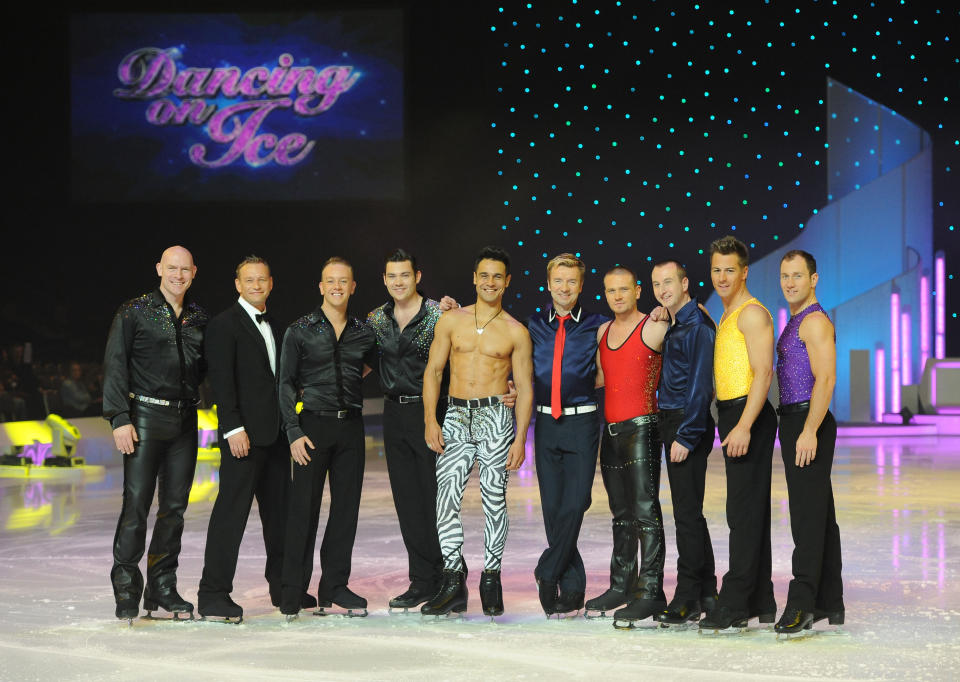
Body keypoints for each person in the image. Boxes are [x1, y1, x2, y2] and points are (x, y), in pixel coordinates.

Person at [197, 255, 314, 622]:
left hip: (278, 436)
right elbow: (221, 382)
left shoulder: (279, 326)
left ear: (271, 283)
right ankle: (213, 594)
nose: (256, 285)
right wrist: (232, 428)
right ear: (238, 284)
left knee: (279, 518)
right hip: (243, 437)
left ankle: (282, 588)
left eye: (262, 279)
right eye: (249, 280)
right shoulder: (222, 326)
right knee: (230, 516)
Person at [421, 246, 533, 617]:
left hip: (494, 420)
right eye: (484, 275)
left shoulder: (516, 331)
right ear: (474, 278)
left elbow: (527, 387)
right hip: (454, 416)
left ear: (507, 281)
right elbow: (434, 371)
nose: (490, 282)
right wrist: (430, 420)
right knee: (445, 500)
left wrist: (520, 438)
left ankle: (491, 577)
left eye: (497, 276)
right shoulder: (451, 321)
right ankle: (453, 579)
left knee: (493, 501)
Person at [103, 246, 207, 621]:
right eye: (172, 268)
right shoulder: (133, 311)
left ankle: (162, 587)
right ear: (159, 269)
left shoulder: (198, 317)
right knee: (136, 506)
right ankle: (128, 587)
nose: (178, 275)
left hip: (185, 422)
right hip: (144, 417)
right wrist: (119, 417)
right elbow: (115, 363)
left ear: (194, 272)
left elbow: (208, 368)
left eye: (185, 269)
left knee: (174, 510)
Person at [277, 257, 378, 619]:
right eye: (330, 281)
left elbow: (370, 365)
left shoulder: (364, 331)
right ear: (321, 286)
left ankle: (334, 584)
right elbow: (285, 383)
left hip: (350, 427)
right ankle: (292, 589)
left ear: (353, 287)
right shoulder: (300, 329)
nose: (337, 286)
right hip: (312, 428)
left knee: (345, 510)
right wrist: (292, 431)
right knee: (303, 509)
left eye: (344, 281)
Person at [698, 235, 778, 632]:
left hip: (750, 415)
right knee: (748, 511)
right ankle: (759, 598)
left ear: (744, 271)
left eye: (730, 269)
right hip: (733, 414)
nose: (722, 276)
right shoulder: (726, 313)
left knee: (742, 513)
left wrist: (745, 424)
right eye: (716, 269)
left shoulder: (751, 313)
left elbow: (764, 373)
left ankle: (733, 601)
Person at [365, 249, 450, 612]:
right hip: (393, 415)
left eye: (405, 275)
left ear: (417, 276)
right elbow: (364, 364)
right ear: (384, 280)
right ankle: (421, 580)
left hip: (430, 413)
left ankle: (448, 579)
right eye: (392, 276)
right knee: (407, 502)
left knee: (436, 500)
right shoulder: (375, 319)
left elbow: (459, 360)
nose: (398, 282)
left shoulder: (439, 314)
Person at [587, 266, 670, 627]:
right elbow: (596, 378)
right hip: (612, 432)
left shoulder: (654, 326)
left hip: (643, 428)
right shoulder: (602, 332)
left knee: (645, 514)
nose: (617, 296)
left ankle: (650, 590)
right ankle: (622, 584)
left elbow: (695, 332)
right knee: (621, 515)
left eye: (624, 289)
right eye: (610, 291)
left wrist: (669, 311)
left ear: (638, 290)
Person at [527, 254, 607, 616]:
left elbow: (611, 364)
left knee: (575, 503)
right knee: (553, 510)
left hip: (582, 422)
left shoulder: (597, 324)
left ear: (580, 285)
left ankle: (547, 569)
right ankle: (572, 590)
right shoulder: (531, 325)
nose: (564, 288)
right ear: (548, 284)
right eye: (558, 281)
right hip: (545, 424)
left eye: (571, 281)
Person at [773, 250, 844, 635]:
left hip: (806, 421)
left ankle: (801, 604)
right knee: (819, 514)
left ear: (813, 279)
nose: (789, 283)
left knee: (806, 517)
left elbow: (826, 380)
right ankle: (828, 601)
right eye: (785, 275)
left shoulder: (813, 321)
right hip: (797, 420)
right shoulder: (798, 318)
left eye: (797, 276)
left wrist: (809, 430)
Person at [649, 260, 719, 626]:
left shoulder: (698, 326)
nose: (663, 289)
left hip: (685, 424)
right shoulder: (678, 323)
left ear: (685, 282)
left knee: (686, 516)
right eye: (657, 284)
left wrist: (686, 435)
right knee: (690, 513)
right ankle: (707, 591)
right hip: (674, 420)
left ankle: (687, 597)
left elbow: (701, 386)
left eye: (669, 282)